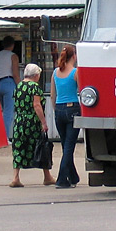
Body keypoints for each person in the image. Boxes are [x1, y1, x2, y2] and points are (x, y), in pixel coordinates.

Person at [8, 63, 55, 188]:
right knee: (40, 146)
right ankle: (47, 176)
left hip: (19, 121)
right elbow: (37, 105)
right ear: (35, 75)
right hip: (32, 121)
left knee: (18, 147)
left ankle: (15, 177)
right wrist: (43, 122)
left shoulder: (18, 86)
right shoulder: (35, 87)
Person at [51, 45, 81, 189]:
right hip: (73, 108)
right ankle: (61, 179)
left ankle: (73, 176)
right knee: (69, 147)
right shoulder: (76, 72)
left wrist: (55, 109)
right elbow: (81, 90)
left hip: (59, 109)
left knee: (65, 146)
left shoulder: (55, 72)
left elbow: (52, 94)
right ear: (74, 56)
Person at [0, 35, 20, 140]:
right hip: (9, 83)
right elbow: (15, 74)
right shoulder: (13, 56)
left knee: (2, 112)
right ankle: (4, 137)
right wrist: (21, 86)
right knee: (8, 112)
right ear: (13, 45)